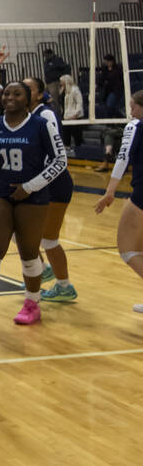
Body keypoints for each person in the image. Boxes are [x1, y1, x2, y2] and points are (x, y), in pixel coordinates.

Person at [0, 74, 67, 331]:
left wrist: (31, 186)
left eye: (17, 94)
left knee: (29, 254)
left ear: (30, 99)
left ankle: (32, 305)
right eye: (6, 94)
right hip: (0, 194)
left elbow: (60, 161)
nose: (10, 98)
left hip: (33, 197)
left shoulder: (41, 124)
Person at [23, 77, 79, 303]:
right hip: (39, 183)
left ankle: (64, 286)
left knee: (48, 239)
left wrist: (36, 180)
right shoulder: (26, 117)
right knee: (23, 233)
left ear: (38, 94)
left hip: (54, 182)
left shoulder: (44, 114)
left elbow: (54, 153)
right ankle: (43, 268)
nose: (24, 91)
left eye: (29, 88)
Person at [94, 90, 143, 312]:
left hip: (142, 194)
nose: (131, 112)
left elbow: (122, 158)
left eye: (133, 107)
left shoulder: (135, 127)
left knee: (128, 250)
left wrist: (110, 192)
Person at [61, 73, 84, 149]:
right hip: (67, 116)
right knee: (66, 133)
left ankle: (79, 149)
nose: (61, 84)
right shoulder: (66, 91)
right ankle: (67, 147)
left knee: (77, 134)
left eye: (62, 82)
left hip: (75, 116)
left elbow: (79, 103)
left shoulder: (75, 90)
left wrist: (76, 114)